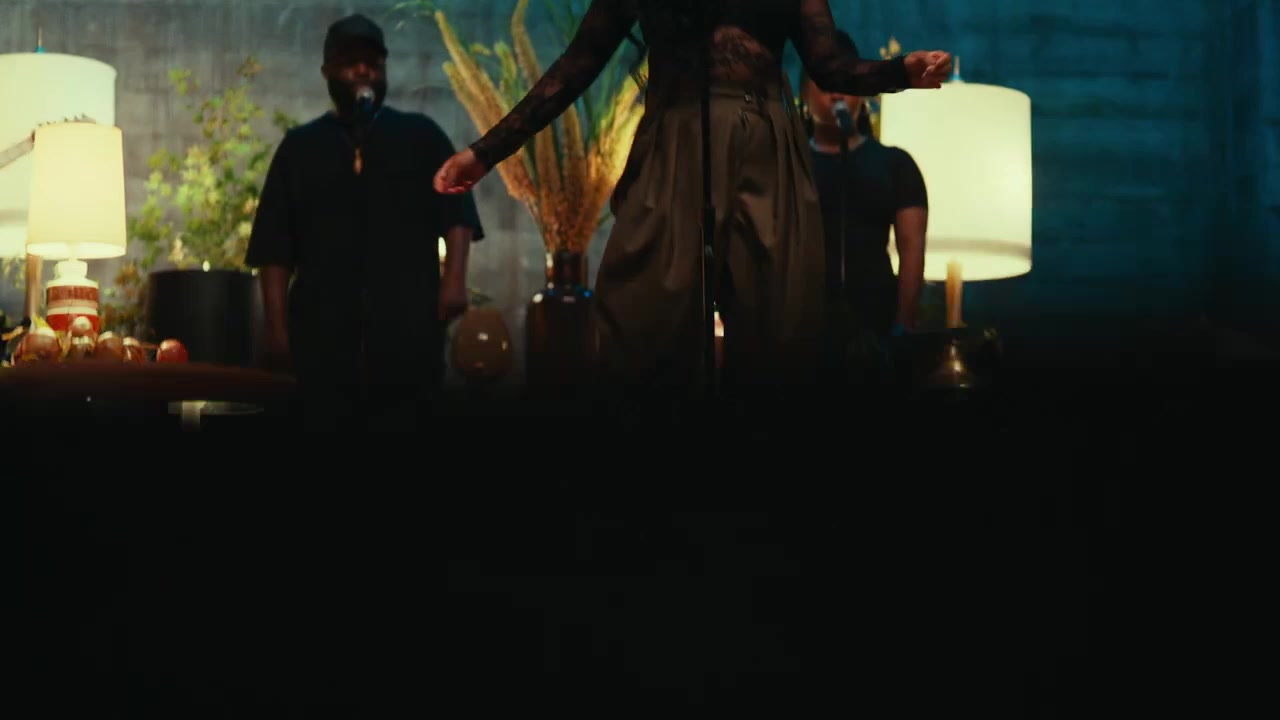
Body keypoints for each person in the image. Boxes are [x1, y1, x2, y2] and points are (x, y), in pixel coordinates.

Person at [434, 0, 949, 418]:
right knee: (643, 325)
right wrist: (485, 152)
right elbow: (577, 64)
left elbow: (829, 64)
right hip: (676, 142)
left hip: (765, 148)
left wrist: (899, 71)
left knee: (778, 336)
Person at [246, 13, 485, 431]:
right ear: (327, 71)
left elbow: (457, 211)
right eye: (350, 62)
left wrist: (454, 281)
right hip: (321, 335)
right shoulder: (299, 148)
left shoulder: (420, 135)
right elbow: (274, 246)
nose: (363, 71)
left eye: (373, 63)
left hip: (408, 331)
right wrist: (277, 330)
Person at [798, 29, 927, 382]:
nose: (836, 92)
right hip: (805, 327)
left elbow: (912, 250)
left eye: (845, 82)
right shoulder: (791, 164)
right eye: (824, 82)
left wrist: (902, 328)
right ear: (804, 92)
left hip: (877, 325)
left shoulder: (895, 165)